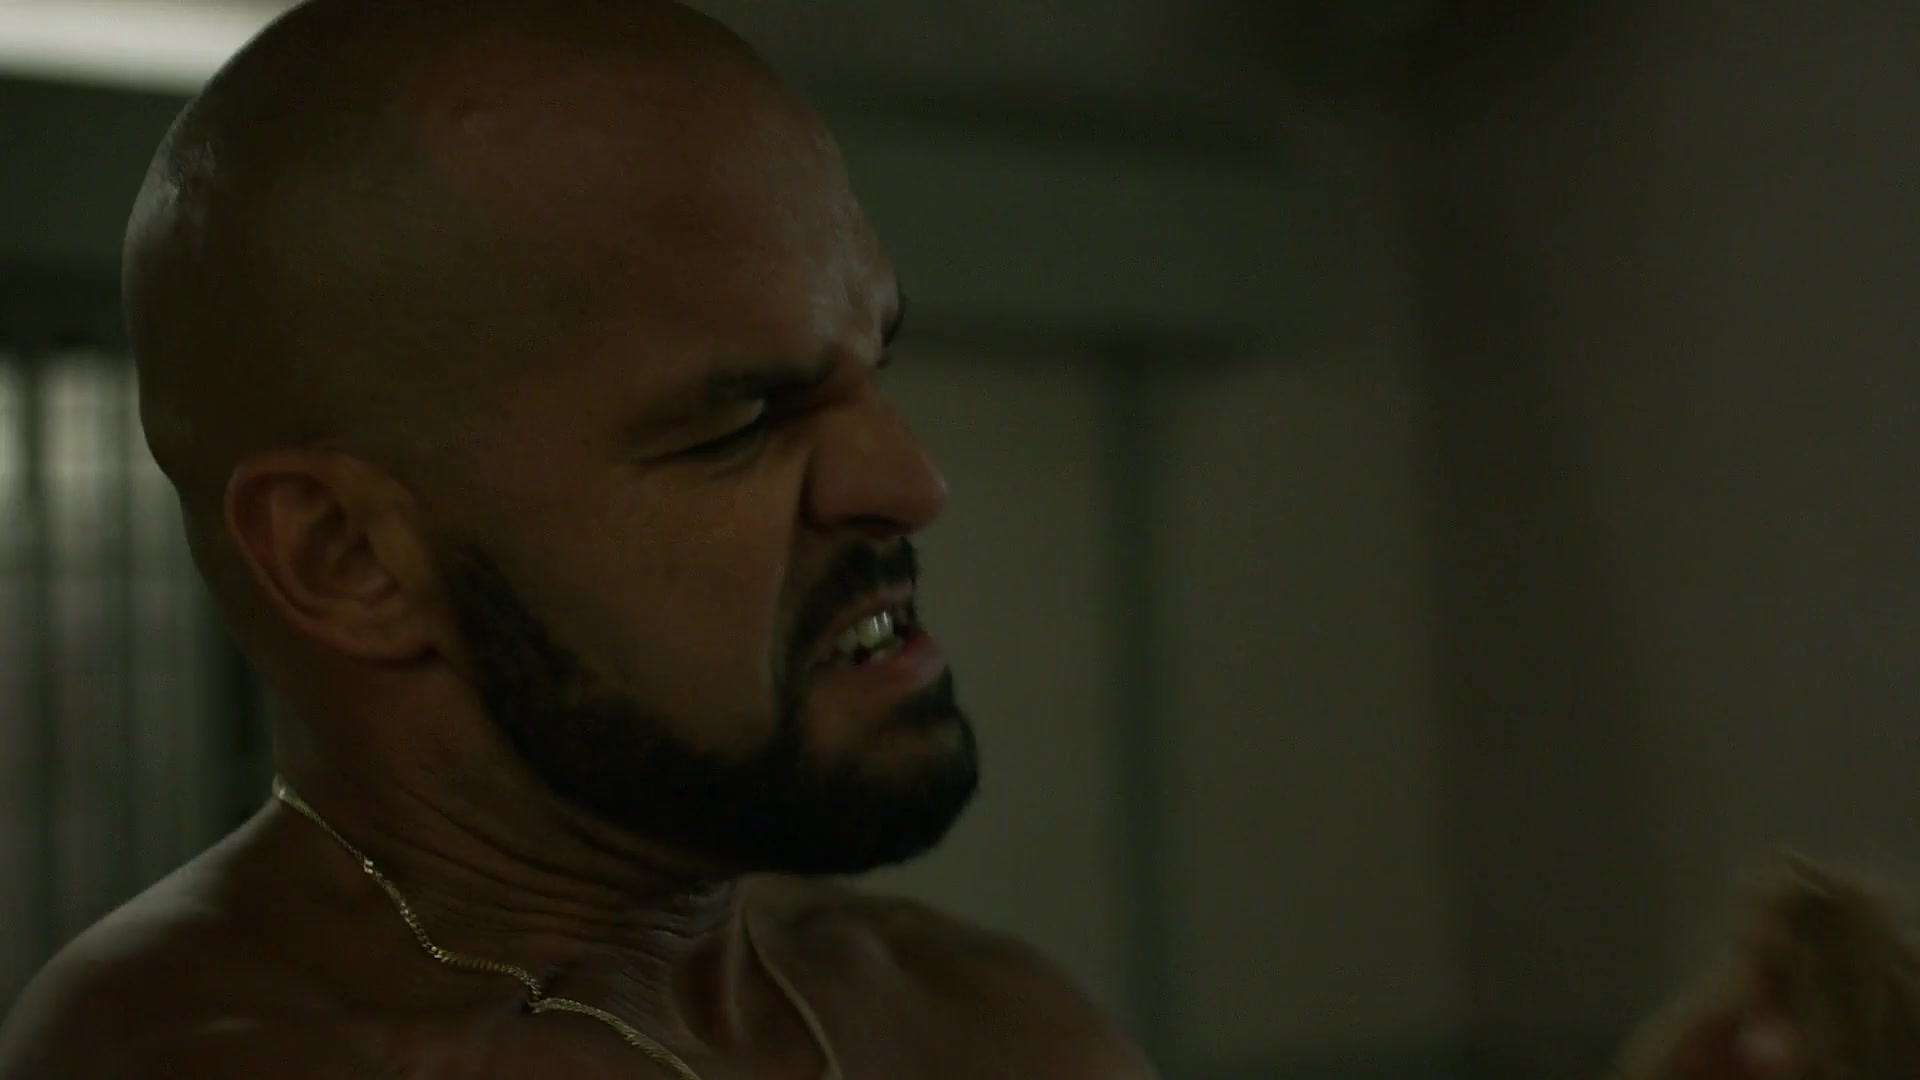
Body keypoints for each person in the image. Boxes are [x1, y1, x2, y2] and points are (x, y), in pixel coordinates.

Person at [0, 1, 1158, 1076]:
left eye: (875, 365)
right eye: (743, 422)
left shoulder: (987, 1018)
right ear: (349, 558)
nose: (912, 484)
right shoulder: (191, 1058)